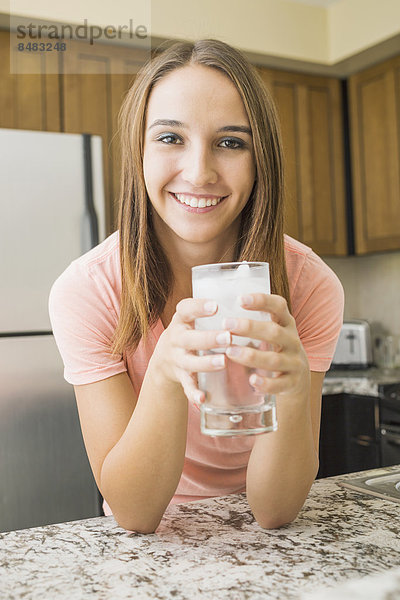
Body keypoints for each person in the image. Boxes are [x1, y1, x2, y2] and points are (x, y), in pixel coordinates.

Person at [49, 38, 344, 533]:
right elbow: (135, 513)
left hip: (264, 537)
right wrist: (164, 373)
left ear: (259, 161)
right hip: (155, 543)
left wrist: (291, 393)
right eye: (170, 138)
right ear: (138, 151)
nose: (199, 172)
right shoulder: (88, 290)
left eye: (231, 142)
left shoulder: (308, 285)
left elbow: (275, 511)